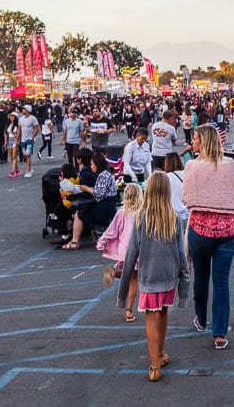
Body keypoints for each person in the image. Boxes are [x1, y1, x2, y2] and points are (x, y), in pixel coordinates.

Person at [182, 124, 234, 351]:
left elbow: (187, 197)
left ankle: (201, 319)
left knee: (201, 276)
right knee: (221, 280)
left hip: (200, 230)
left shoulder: (192, 166)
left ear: (203, 141)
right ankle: (219, 332)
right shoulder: (230, 164)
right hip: (228, 231)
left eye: (195, 139)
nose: (192, 143)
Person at [117, 171, 189, 382]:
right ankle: (160, 353)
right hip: (169, 276)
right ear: (167, 190)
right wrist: (185, 286)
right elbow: (181, 253)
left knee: (151, 317)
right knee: (163, 312)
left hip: (149, 277)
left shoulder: (141, 217)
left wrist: (122, 295)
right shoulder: (174, 216)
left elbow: (131, 255)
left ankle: (154, 365)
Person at [98, 183, 144, 322]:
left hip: (124, 249)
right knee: (133, 279)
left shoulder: (121, 212)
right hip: (138, 249)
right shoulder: (143, 213)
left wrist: (102, 242)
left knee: (128, 274)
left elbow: (112, 230)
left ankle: (113, 273)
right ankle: (129, 310)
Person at [62, 152, 117, 250]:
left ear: (97, 165)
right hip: (107, 204)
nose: (91, 166)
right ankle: (75, 240)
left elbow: (99, 193)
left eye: (92, 164)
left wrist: (87, 189)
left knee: (80, 213)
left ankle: (75, 241)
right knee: (82, 210)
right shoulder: (104, 174)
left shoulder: (102, 175)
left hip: (105, 206)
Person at [18, 105, 40, 178]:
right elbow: (19, 129)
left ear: (28, 110)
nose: (22, 110)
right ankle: (30, 168)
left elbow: (37, 129)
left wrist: (32, 137)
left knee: (28, 155)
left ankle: (28, 171)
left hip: (29, 140)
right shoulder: (21, 119)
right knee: (25, 156)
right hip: (23, 140)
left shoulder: (33, 118)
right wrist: (18, 139)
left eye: (24, 109)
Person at [5, 113, 21, 177]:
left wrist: (18, 140)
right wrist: (5, 142)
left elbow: (19, 133)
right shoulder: (8, 125)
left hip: (15, 140)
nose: (11, 118)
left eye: (13, 117)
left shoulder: (17, 125)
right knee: (11, 157)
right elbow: (6, 134)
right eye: (11, 117)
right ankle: (17, 169)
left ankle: (13, 171)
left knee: (14, 156)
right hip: (9, 140)